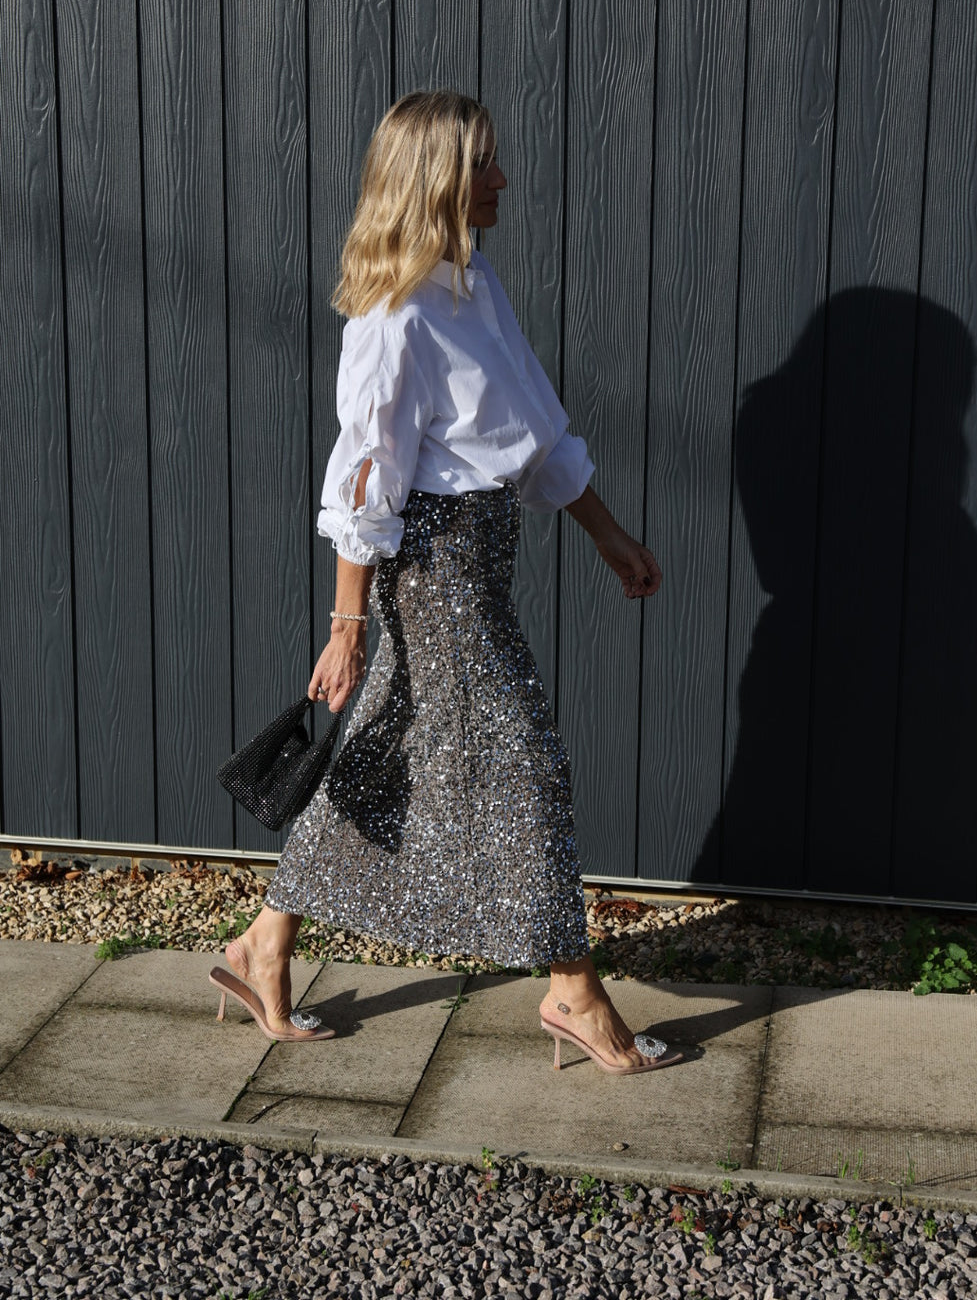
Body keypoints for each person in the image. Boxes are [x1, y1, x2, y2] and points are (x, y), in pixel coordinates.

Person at [209, 90, 682, 1075]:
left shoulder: (475, 289)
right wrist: (345, 624)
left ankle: (263, 947)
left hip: (480, 556)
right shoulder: (393, 317)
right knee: (527, 770)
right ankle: (572, 992)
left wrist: (608, 534)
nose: (503, 179)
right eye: (484, 165)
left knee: (378, 759)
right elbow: (364, 478)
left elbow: (537, 433)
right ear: (436, 181)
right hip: (429, 574)